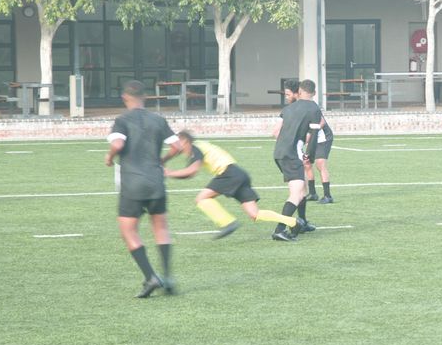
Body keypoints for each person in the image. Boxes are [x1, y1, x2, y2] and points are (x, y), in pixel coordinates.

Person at [105, 80, 177, 298]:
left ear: (125, 98)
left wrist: (109, 158)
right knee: (161, 228)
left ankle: (151, 276)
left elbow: (118, 145)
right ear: (144, 97)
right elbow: (178, 146)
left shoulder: (122, 120)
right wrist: (162, 160)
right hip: (156, 181)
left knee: (128, 230)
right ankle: (168, 276)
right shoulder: (158, 119)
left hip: (133, 183)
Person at [164, 131, 300, 238]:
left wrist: (169, 173)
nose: (177, 149)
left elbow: (192, 171)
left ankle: (227, 223)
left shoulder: (195, 148)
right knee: (255, 214)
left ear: (184, 140)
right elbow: (180, 161)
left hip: (228, 174)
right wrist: (163, 160)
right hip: (239, 173)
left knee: (201, 198)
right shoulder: (199, 145)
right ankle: (293, 222)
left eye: (178, 144)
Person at [270, 78, 323, 241]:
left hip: (279, 153)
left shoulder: (288, 108)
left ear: (299, 92)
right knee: (297, 193)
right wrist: (310, 156)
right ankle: (280, 229)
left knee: (303, 185)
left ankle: (303, 222)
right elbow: (314, 135)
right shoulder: (314, 108)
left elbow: (277, 132)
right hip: (292, 154)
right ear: (314, 93)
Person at [297, 79, 335, 204]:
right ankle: (312, 193)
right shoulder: (300, 106)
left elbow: (322, 122)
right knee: (307, 163)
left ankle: (328, 196)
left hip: (323, 138)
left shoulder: (314, 107)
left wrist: (311, 133)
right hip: (312, 138)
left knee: (320, 164)